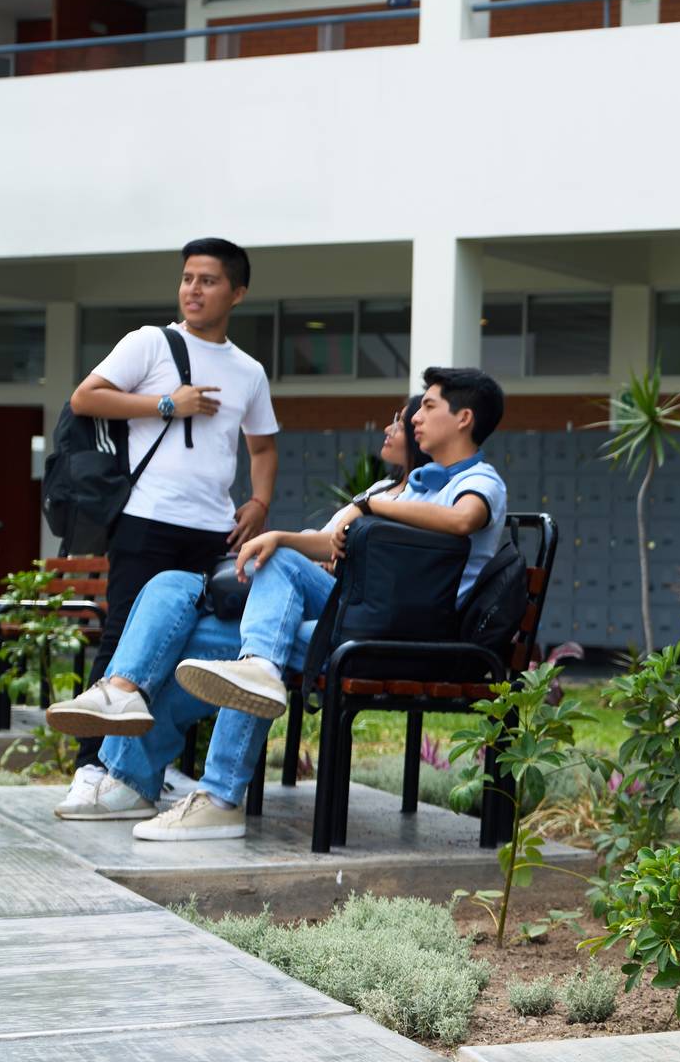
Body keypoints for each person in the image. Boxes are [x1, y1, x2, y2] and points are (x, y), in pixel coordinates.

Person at [45, 368, 509, 842]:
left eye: (428, 407)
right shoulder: (410, 488)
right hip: (352, 608)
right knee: (192, 628)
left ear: (464, 418)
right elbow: (331, 542)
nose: (414, 418)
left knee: (266, 623)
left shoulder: (479, 480)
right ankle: (131, 765)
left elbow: (463, 519)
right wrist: (281, 537)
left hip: (401, 630)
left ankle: (219, 796)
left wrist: (370, 508)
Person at [54, 237, 279, 821]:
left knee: (193, 651)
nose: (193, 290)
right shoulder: (149, 342)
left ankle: (155, 765)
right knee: (124, 640)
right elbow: (85, 398)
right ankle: (91, 768)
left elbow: (262, 446)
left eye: (208, 280)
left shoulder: (248, 371)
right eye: (187, 279)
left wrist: (259, 501)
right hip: (146, 521)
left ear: (237, 292)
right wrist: (165, 405)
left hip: (215, 533)